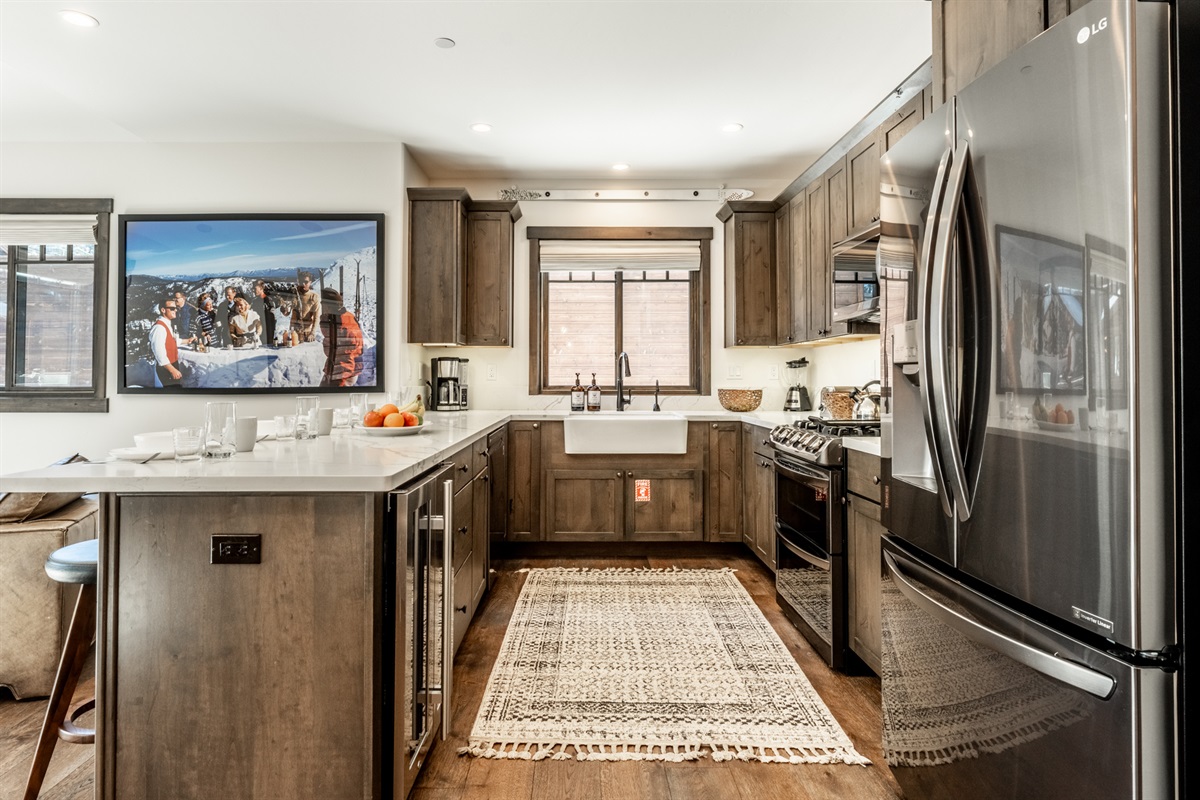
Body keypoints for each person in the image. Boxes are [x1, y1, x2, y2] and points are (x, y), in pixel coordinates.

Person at [319, 287, 364, 387]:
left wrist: (340, 380)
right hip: (335, 368)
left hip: (343, 371)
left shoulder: (343, 324)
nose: (323, 308)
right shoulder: (336, 319)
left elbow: (348, 355)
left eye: (324, 305)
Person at [149, 296, 193, 387]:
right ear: (163, 310)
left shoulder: (167, 324)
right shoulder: (159, 328)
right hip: (166, 368)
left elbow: (171, 341)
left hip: (171, 364)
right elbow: (159, 352)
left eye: (176, 308)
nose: (175, 310)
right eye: (172, 309)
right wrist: (172, 370)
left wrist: (187, 341)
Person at [293, 272, 320, 343]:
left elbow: (316, 317)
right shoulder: (294, 294)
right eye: (301, 281)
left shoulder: (314, 297)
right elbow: (287, 313)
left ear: (310, 282)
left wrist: (312, 333)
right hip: (294, 332)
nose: (303, 284)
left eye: (306, 282)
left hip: (307, 333)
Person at [253, 279, 278, 346]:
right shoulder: (255, 301)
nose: (253, 290)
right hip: (258, 326)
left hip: (268, 327)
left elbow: (272, 316)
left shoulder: (268, 300)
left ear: (261, 288)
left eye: (255, 288)